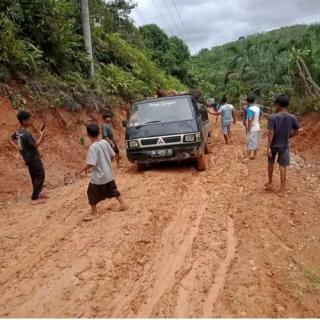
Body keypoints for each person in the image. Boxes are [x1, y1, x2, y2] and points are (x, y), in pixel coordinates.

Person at [76, 123, 126, 220]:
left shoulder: (93, 147)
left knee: (91, 192)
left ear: (88, 135)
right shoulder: (105, 142)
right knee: (113, 189)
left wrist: (81, 171)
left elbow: (91, 163)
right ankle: (123, 204)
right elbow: (112, 155)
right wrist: (107, 163)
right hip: (108, 174)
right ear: (99, 133)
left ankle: (95, 213)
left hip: (98, 177)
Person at [266, 94, 300, 197]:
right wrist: (288, 137)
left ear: (279, 105)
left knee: (270, 164)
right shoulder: (293, 117)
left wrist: (268, 147)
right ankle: (282, 191)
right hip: (284, 146)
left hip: (273, 145)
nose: (276, 106)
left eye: (276, 104)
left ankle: (270, 182)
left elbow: (271, 133)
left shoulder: (272, 117)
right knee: (282, 168)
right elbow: (297, 131)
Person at [10, 110, 46, 203]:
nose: (31, 121)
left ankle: (38, 193)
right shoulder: (26, 134)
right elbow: (36, 145)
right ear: (24, 121)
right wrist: (42, 136)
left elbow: (10, 139)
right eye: (29, 120)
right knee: (40, 175)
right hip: (33, 158)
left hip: (27, 158)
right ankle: (35, 196)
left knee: (34, 176)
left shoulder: (18, 132)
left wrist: (17, 147)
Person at [245, 95, 261, 160]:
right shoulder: (257, 108)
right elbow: (260, 115)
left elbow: (250, 119)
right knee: (256, 142)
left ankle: (247, 157)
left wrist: (248, 128)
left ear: (247, 102)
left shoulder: (249, 109)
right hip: (257, 127)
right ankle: (255, 156)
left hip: (252, 128)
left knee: (249, 142)